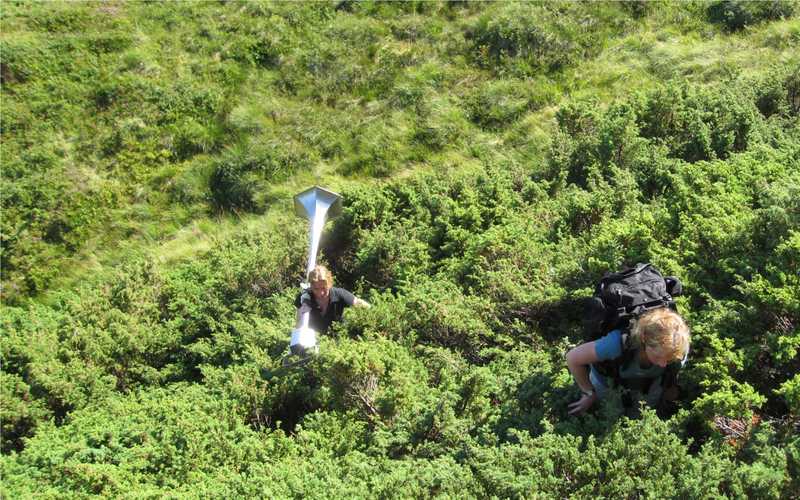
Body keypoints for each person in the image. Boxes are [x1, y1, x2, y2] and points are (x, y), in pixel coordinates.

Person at [566, 307, 690, 416]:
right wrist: (589, 393)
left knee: (641, 417)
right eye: (658, 356)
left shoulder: (679, 347)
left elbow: (672, 372)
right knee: (608, 414)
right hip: (607, 382)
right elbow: (572, 358)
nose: (663, 364)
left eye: (669, 359)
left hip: (650, 384)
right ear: (644, 339)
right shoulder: (616, 344)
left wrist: (670, 389)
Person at [294, 265, 370, 334]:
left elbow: (360, 304)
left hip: (339, 337)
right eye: (316, 289)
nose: (321, 293)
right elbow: (299, 323)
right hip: (313, 338)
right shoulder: (305, 297)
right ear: (311, 286)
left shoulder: (339, 294)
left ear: (329, 284)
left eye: (324, 288)